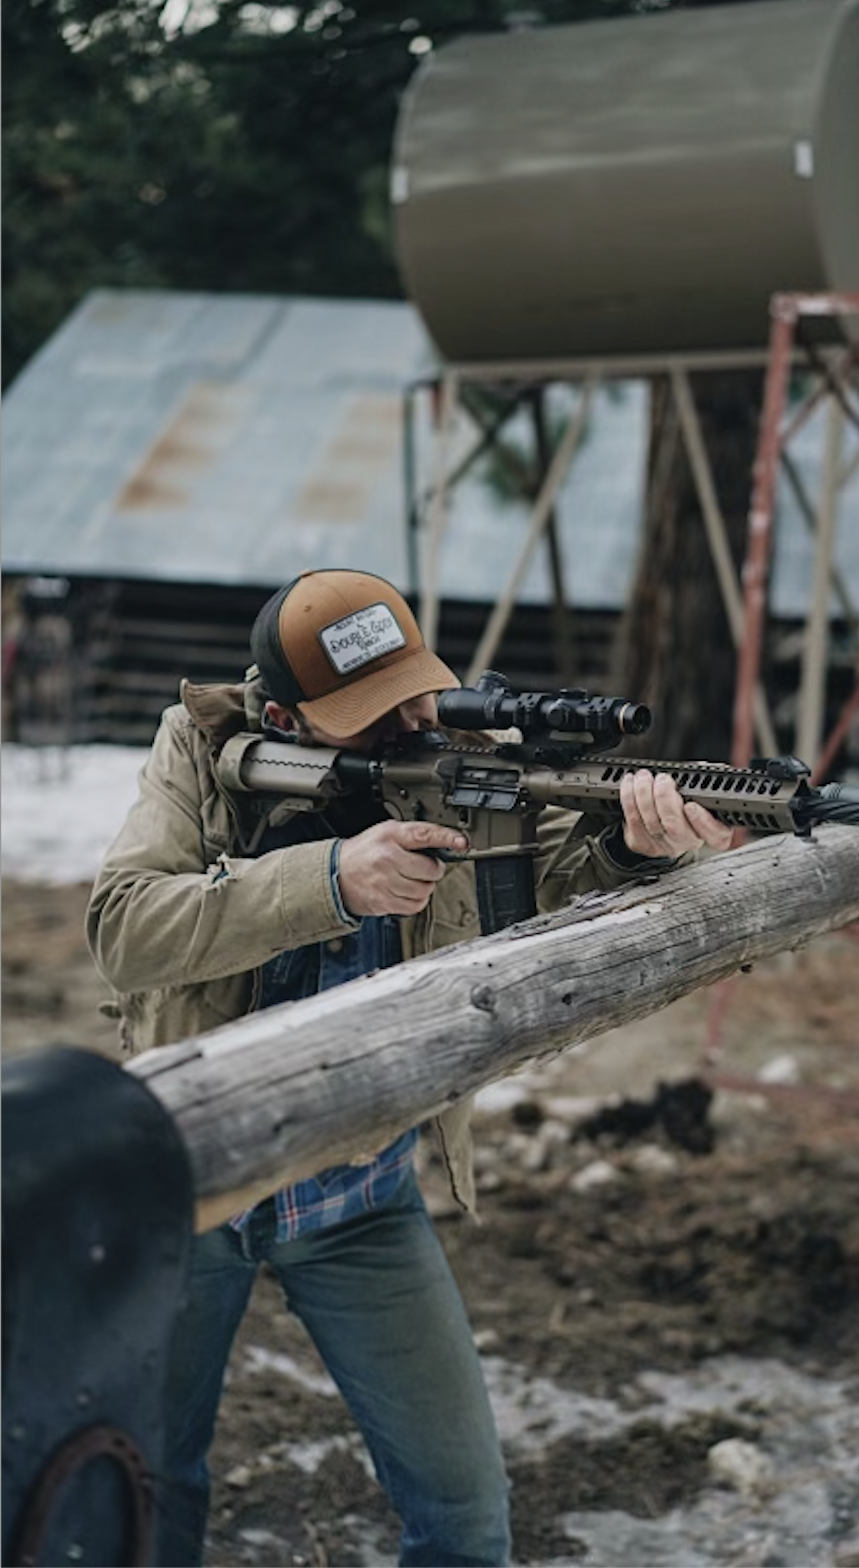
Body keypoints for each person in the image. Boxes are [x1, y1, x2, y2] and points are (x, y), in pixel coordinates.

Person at [86, 568, 731, 1568]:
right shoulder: (204, 752)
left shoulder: (466, 755)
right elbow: (124, 926)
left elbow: (562, 863)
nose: (404, 726)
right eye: (364, 714)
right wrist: (330, 879)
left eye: (412, 695)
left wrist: (637, 846)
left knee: (466, 1519)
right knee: (150, 1489)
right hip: (190, 1186)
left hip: (358, 1190)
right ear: (278, 714)